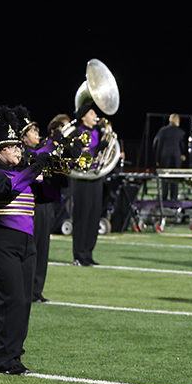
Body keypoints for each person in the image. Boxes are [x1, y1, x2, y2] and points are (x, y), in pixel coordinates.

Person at [0, 105, 64, 374]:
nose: (17, 150)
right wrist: (36, 164)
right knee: (10, 301)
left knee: (25, 302)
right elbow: (8, 188)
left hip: (28, 244)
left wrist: (57, 167)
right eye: (11, 147)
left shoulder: (25, 174)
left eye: (18, 146)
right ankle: (4, 359)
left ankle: (15, 357)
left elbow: (53, 195)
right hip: (4, 245)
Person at [16, 107, 59, 303]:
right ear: (23, 137)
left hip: (46, 204)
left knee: (43, 249)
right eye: (33, 131)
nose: (37, 134)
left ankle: (36, 291)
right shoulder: (22, 154)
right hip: (30, 205)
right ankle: (25, 289)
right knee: (30, 249)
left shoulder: (43, 151)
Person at [69, 105, 104, 266]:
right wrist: (97, 148)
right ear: (83, 117)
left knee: (94, 216)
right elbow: (80, 154)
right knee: (82, 216)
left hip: (97, 178)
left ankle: (88, 253)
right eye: (91, 113)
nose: (95, 115)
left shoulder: (100, 132)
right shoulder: (78, 133)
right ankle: (78, 254)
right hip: (82, 179)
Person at [153, 113, 186, 201]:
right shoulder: (180, 132)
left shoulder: (163, 131)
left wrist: (157, 158)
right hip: (176, 157)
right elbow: (183, 146)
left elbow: (158, 144)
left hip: (165, 156)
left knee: (165, 177)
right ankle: (173, 197)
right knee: (175, 177)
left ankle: (164, 197)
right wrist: (183, 155)